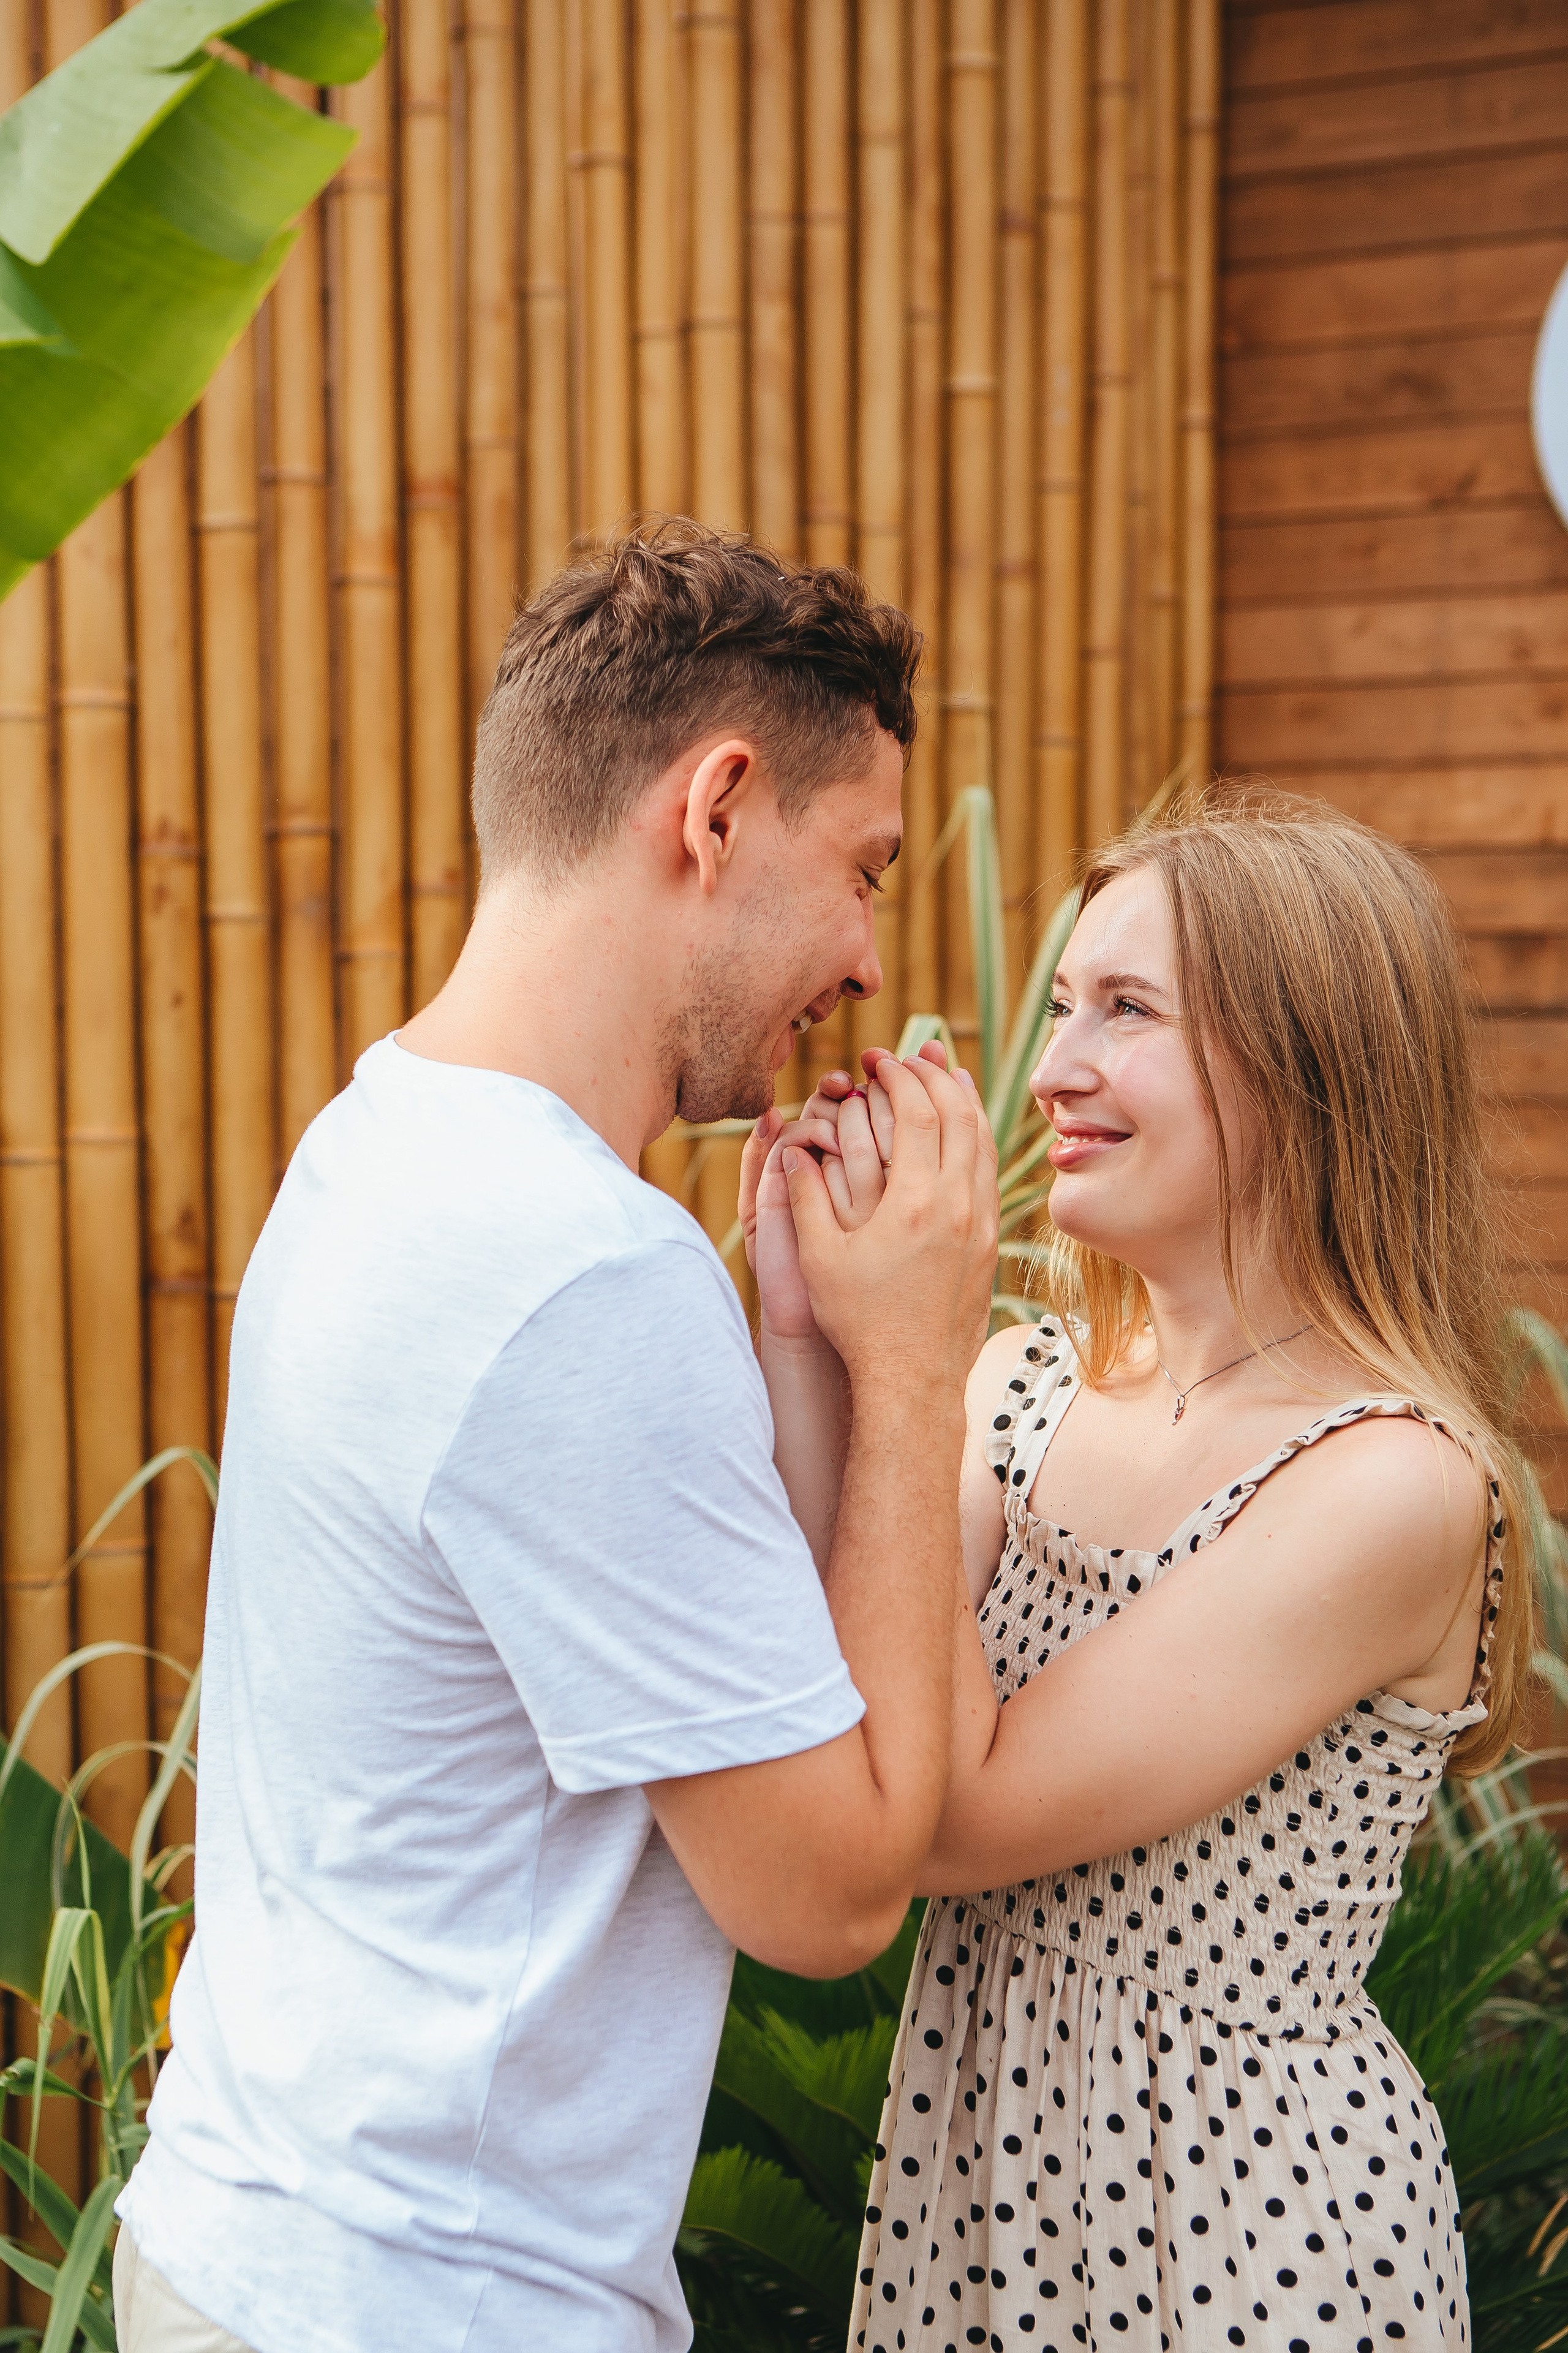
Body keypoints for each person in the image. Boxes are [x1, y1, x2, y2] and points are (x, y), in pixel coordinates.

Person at [112, 519, 998, 2353]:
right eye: (862, 869)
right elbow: (825, 1892)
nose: (860, 950)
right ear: (719, 806)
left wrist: (799, 1341)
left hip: (259, 2229)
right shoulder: (576, 1277)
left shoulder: (383, 1140)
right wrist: (919, 1366)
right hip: (421, 2301)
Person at [747, 788, 1533, 2352]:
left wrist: (904, 1360)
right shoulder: (1018, 1391)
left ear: (1305, 1065)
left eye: (1125, 1010)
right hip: (977, 2188)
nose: (1051, 1072)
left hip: (1241, 2228)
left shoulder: (1388, 1479)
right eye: (1059, 1006)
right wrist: (804, 1335)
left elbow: (955, 1819)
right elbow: (856, 1713)